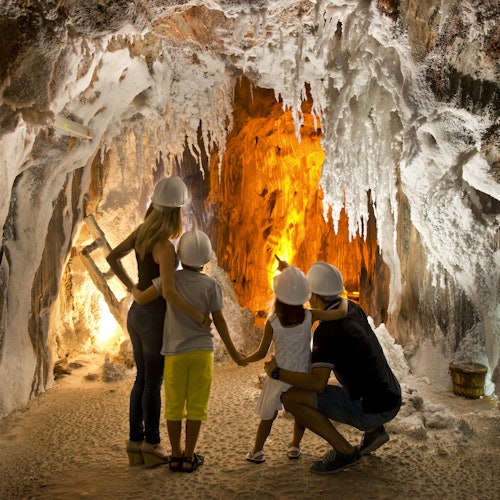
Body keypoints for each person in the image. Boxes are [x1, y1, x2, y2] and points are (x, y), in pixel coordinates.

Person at [106, 176, 210, 468]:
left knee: (141, 379)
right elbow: (170, 292)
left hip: (136, 317)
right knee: (153, 383)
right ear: (176, 212)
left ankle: (134, 442)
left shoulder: (141, 233)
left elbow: (113, 258)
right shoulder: (165, 247)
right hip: (153, 319)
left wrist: (132, 289)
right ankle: (151, 444)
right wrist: (199, 316)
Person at [264, 261, 402, 475]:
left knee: (291, 398)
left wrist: (277, 372)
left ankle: (345, 451)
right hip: (391, 396)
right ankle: (374, 432)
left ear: (315, 295)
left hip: (371, 408)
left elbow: (317, 384)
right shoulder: (352, 308)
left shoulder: (327, 332)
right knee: (356, 378)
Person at [133, 229, 246, 472]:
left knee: (174, 405)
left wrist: (132, 289)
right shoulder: (212, 285)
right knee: (196, 405)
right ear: (206, 260)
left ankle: (174, 455)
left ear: (179, 257)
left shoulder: (168, 281)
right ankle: (189, 455)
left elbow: (142, 298)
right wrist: (235, 353)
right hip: (202, 352)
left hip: (174, 352)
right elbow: (221, 322)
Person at [242, 265, 348, 464]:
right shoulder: (310, 315)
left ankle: (257, 451)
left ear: (278, 297)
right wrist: (340, 298)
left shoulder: (272, 322)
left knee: (268, 417)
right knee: (300, 414)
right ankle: (294, 446)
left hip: (279, 376)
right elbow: (340, 314)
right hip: (302, 375)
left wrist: (243, 359)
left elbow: (261, 353)